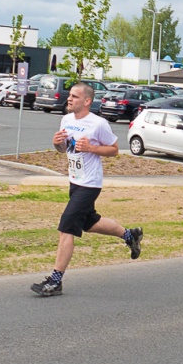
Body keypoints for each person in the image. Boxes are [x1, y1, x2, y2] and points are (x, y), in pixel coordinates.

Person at [31, 83, 143, 297]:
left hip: (90, 184)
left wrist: (92, 148)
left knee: (66, 227)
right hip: (75, 180)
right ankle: (130, 236)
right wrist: (57, 144)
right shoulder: (66, 120)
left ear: (87, 101)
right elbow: (65, 148)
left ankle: (55, 281)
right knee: (90, 223)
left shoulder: (98, 124)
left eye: (74, 96)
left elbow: (114, 150)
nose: (69, 99)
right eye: (70, 96)